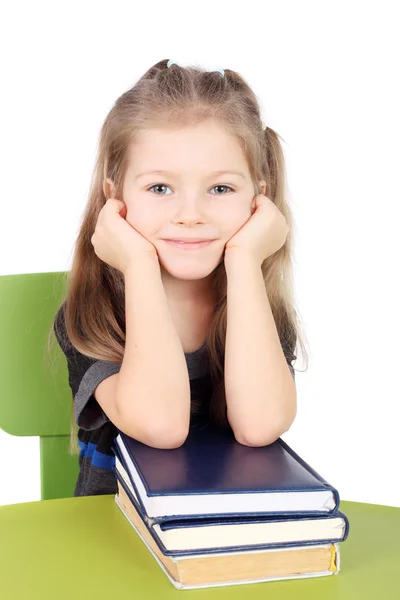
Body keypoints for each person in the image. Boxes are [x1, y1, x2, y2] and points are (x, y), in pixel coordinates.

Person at [52, 58, 305, 498]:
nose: (191, 215)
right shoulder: (91, 317)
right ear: (116, 198)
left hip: (226, 542)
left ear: (257, 201)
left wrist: (245, 260)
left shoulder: (254, 310)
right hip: (108, 542)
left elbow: (260, 425)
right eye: (160, 188)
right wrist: (138, 264)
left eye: (221, 189)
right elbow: (161, 425)